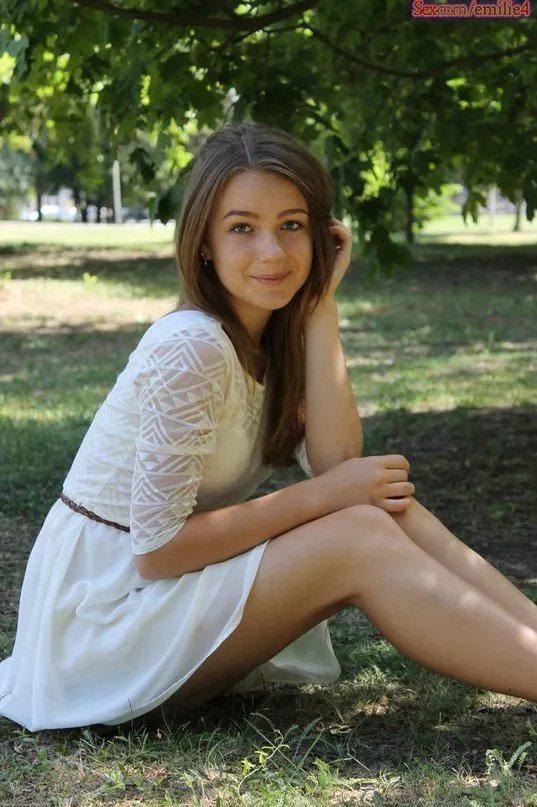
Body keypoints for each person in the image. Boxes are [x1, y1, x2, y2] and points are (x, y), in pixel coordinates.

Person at [1, 122, 537, 734]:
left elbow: (337, 462)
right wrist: (324, 499)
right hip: (103, 624)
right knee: (357, 530)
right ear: (204, 241)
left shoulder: (267, 334)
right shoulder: (193, 347)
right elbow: (157, 551)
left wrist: (320, 307)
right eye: (242, 228)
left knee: (382, 505)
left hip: (150, 604)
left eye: (291, 225)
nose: (272, 253)